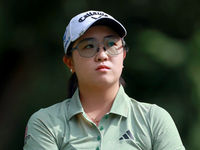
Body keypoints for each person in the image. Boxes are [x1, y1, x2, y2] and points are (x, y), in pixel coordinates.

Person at [23, 10, 185, 150]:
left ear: (123, 56)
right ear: (70, 62)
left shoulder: (154, 119)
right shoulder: (46, 123)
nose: (102, 55)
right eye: (88, 46)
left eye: (111, 44)